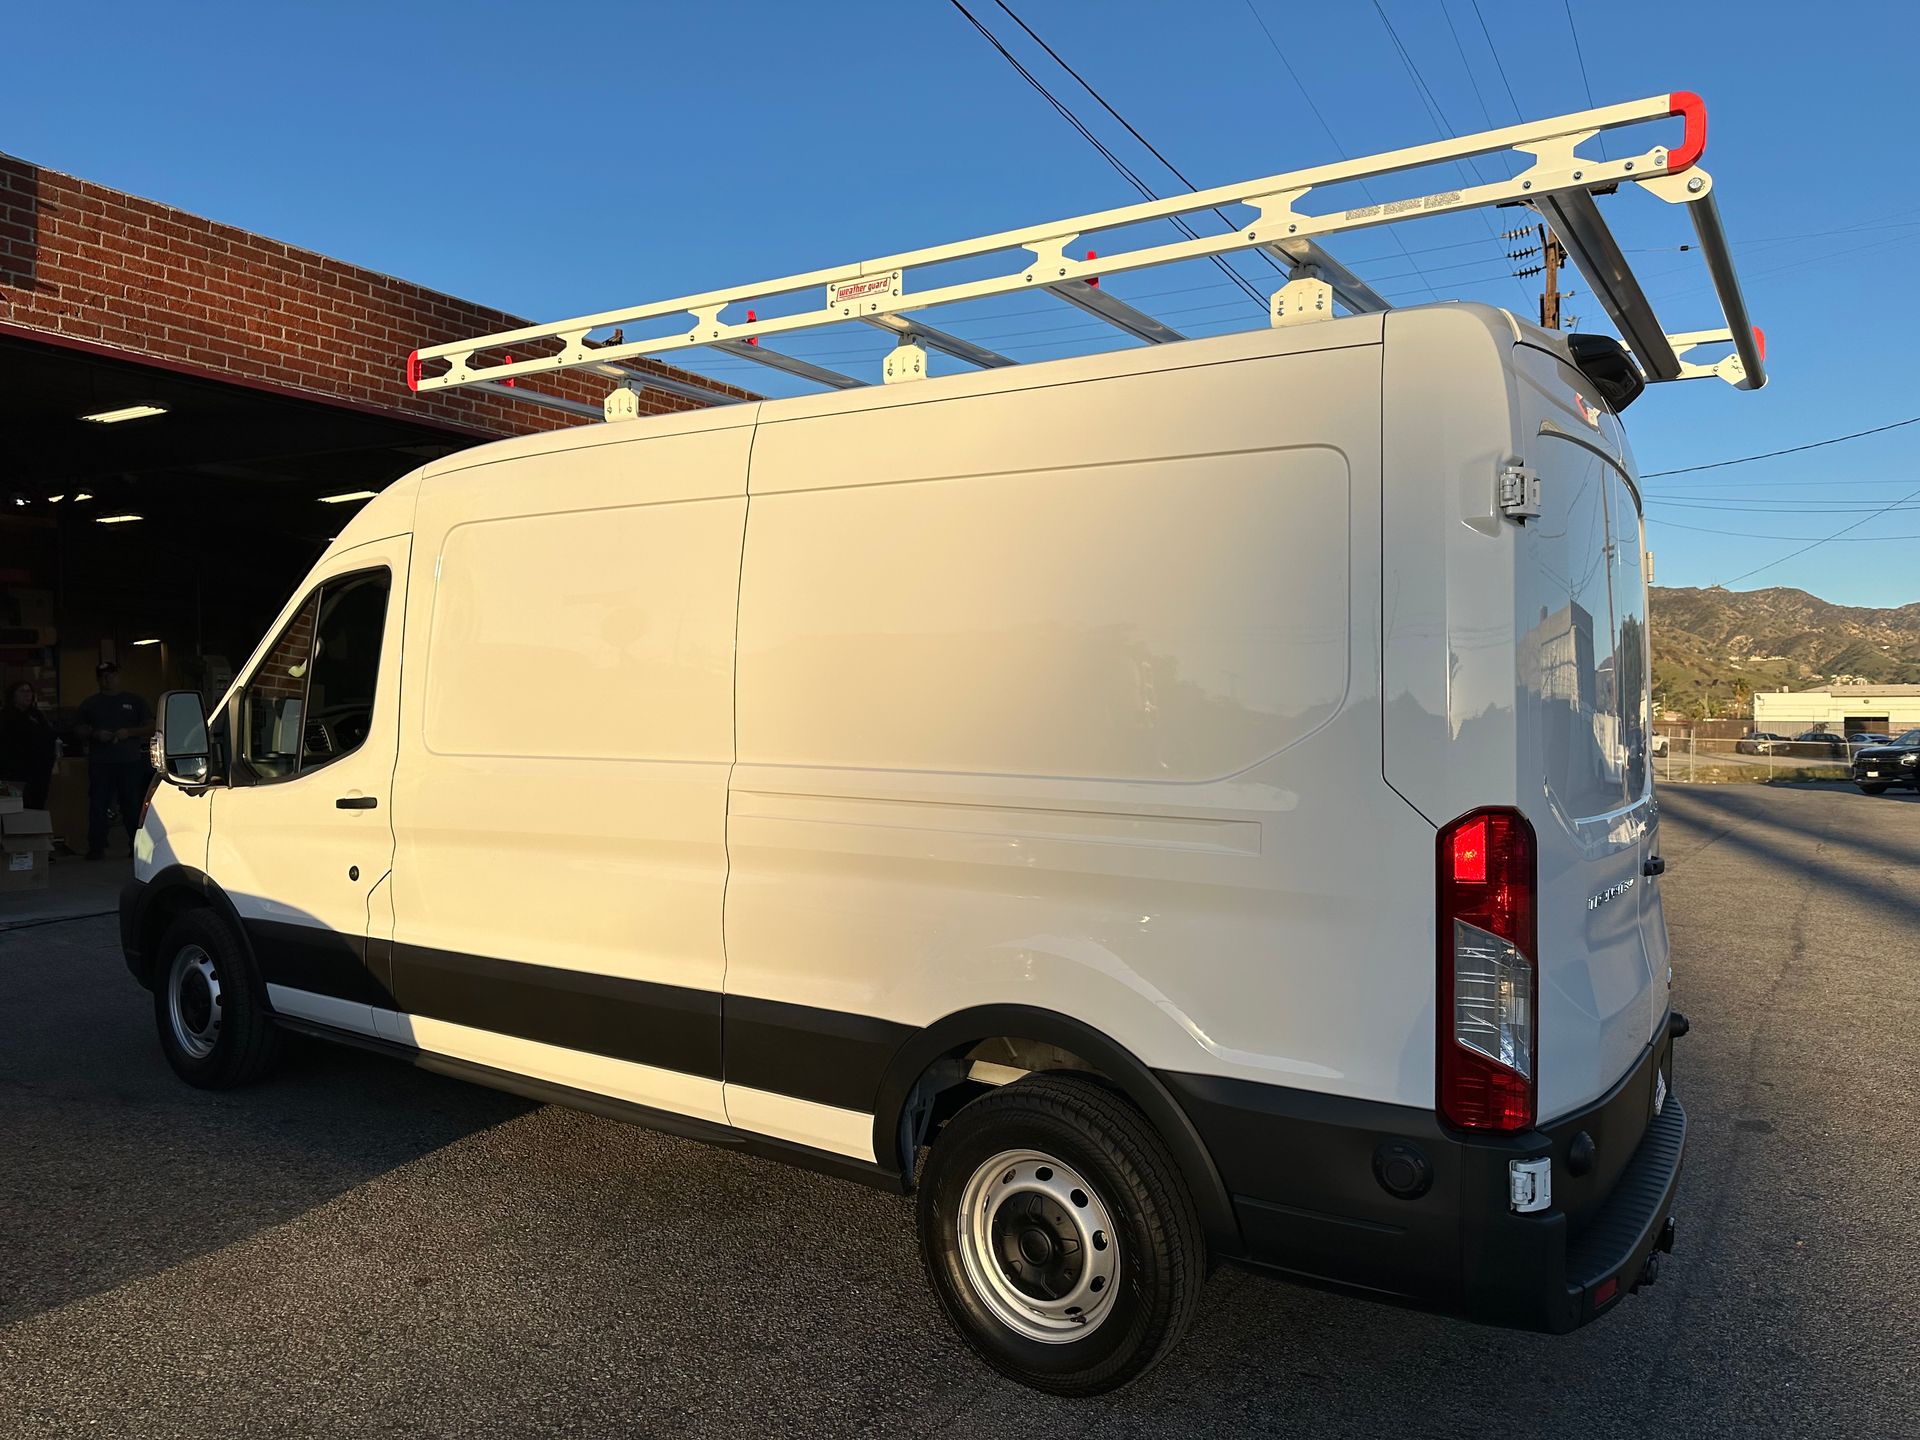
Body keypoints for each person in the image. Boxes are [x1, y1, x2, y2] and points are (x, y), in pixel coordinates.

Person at [75, 661, 153, 860]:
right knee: (98, 805)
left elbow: (151, 727)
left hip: (129, 762)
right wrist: (95, 733)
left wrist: (129, 732)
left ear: (118, 677)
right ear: (98, 679)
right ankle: (96, 848)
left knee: (132, 805)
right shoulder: (90, 703)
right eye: (103, 676)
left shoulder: (135, 701)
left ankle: (137, 848)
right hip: (101, 763)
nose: (108, 679)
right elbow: (77, 729)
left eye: (111, 675)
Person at [0, 681, 58, 809]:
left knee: (35, 808)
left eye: (29, 691)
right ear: (13, 695)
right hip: (14, 774)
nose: (27, 695)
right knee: (14, 810)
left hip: (39, 774)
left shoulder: (36, 715)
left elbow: (49, 735)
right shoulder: (5, 717)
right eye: (22, 691)